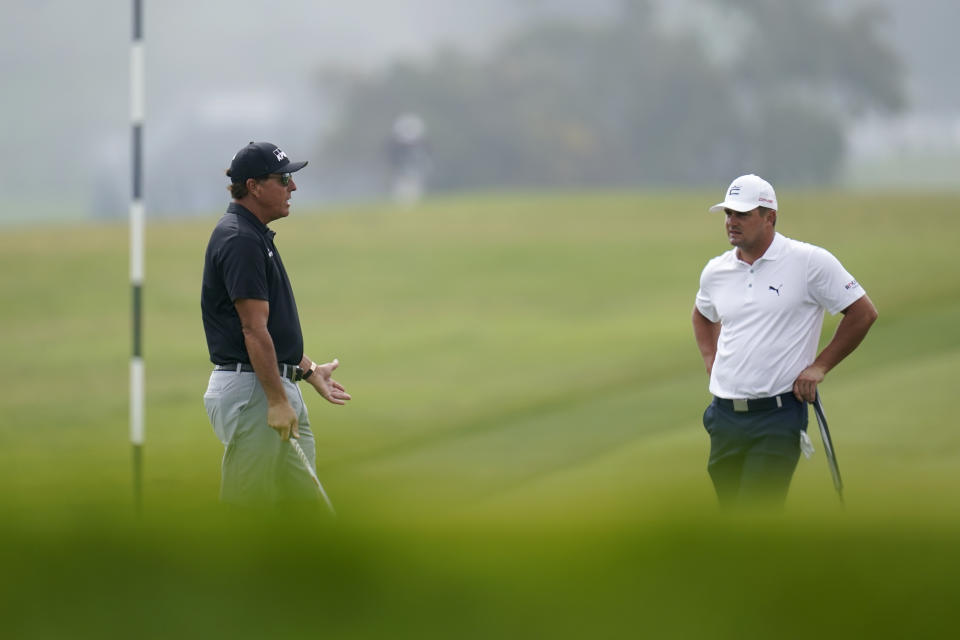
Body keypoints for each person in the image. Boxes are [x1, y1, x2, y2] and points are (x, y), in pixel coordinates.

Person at [691, 174, 877, 509]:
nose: (731, 222)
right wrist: (710, 358)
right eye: (728, 214)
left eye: (742, 214)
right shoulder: (716, 271)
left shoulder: (808, 262)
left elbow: (862, 313)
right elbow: (703, 315)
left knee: (756, 515)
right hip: (724, 416)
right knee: (730, 520)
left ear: (769, 217)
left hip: (777, 417)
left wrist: (819, 367)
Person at [201, 141, 351, 507]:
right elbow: (253, 329)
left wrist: (308, 369)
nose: (293, 188)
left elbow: (266, 329)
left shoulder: (253, 235)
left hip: (269, 385)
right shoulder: (240, 240)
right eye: (284, 179)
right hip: (255, 390)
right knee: (248, 513)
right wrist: (276, 400)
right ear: (253, 186)